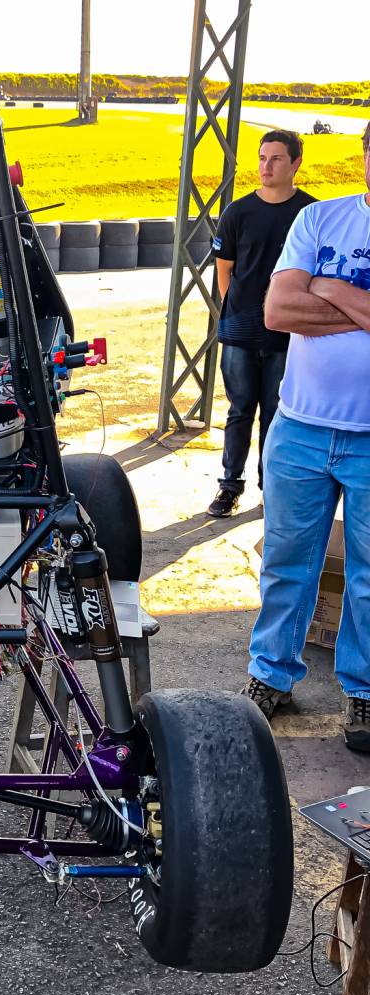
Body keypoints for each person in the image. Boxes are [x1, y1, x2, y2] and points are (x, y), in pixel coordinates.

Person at [243, 122, 370, 750]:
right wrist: (359, 303)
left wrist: (328, 285)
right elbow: (276, 311)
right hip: (301, 427)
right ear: (366, 157)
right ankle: (272, 675)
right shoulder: (322, 221)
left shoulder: (321, 244)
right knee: (286, 561)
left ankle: (366, 693)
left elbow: (302, 301)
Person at [207, 130, 317, 517]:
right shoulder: (237, 212)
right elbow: (225, 272)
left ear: (295, 164)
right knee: (240, 411)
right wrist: (236, 314)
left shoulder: (310, 214)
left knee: (276, 412)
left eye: (275, 159)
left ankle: (270, 486)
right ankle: (228, 486)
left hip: (288, 335)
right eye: (262, 158)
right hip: (239, 332)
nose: (266, 167)